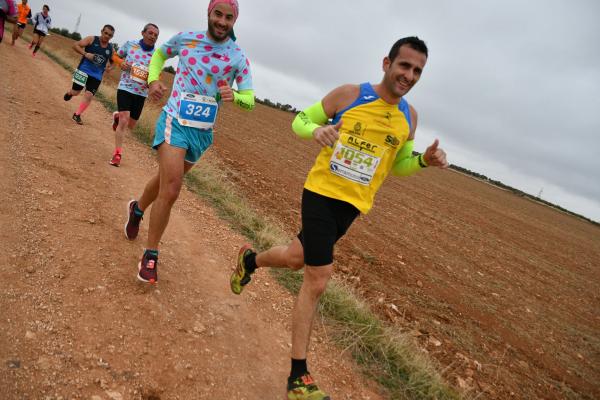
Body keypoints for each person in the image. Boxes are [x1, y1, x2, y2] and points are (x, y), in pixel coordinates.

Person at [230, 36, 448, 400]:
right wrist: (316, 129)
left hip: (353, 207)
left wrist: (425, 160)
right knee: (318, 278)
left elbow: (400, 167)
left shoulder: (409, 117)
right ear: (386, 63)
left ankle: (249, 260)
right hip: (320, 193)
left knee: (295, 258)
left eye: (417, 71)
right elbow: (300, 120)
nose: (409, 75)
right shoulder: (349, 95)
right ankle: (298, 376)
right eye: (404, 65)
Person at [123, 0, 254, 284]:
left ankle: (137, 209)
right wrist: (153, 80)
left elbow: (250, 99)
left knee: (163, 180)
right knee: (171, 189)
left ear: (234, 21)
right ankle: (151, 255)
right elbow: (159, 55)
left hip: (202, 133)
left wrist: (236, 97)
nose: (222, 21)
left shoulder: (238, 57)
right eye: (218, 14)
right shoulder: (187, 39)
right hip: (175, 120)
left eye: (228, 17)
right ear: (209, 13)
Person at [109, 23, 160, 167]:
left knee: (130, 125)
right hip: (125, 87)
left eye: (156, 35)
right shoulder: (130, 45)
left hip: (141, 93)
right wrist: (121, 63)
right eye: (150, 33)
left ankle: (116, 117)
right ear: (143, 33)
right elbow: (114, 56)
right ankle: (117, 154)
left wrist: (153, 83)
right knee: (124, 122)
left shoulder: (156, 55)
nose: (153, 36)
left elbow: (157, 74)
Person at [63, 25, 115, 125]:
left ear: (112, 37)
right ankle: (70, 93)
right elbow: (75, 45)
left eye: (110, 35)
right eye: (106, 33)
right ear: (101, 31)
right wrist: (86, 54)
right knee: (76, 92)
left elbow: (113, 62)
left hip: (97, 75)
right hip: (83, 70)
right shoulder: (91, 39)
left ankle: (77, 114)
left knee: (89, 95)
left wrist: (109, 68)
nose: (107, 36)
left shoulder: (111, 48)